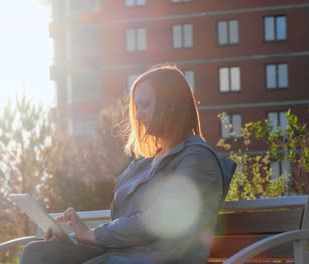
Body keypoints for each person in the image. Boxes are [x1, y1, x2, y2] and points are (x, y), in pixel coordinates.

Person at [19, 65, 236, 264]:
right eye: (137, 106)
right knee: (40, 252)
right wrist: (70, 238)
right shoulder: (144, 164)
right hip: (123, 256)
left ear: (171, 105)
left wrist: (93, 235)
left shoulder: (198, 160)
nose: (139, 115)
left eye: (146, 105)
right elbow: (122, 225)